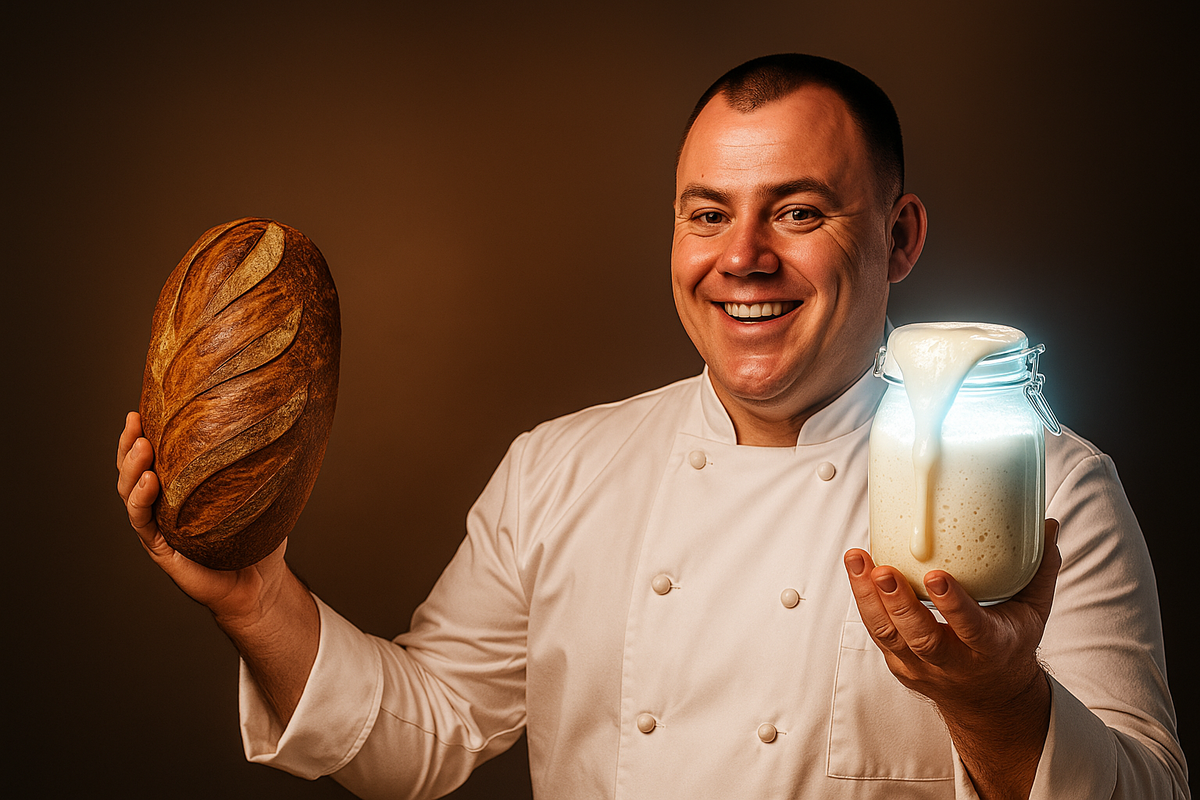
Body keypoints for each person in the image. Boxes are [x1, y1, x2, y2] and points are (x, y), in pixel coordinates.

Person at [116, 54, 1188, 799]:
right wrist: (254, 594)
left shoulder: (1042, 483)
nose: (743, 258)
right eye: (708, 213)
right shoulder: (558, 467)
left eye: (798, 211)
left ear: (899, 237)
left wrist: (1001, 703)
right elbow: (424, 734)